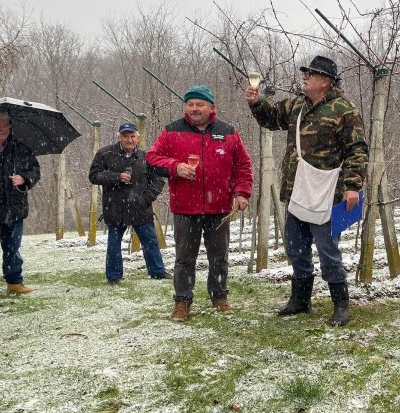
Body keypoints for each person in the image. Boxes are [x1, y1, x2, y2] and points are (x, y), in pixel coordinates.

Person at [244, 56, 368, 326]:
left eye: (309, 74)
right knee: (295, 246)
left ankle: (340, 303)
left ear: (325, 81)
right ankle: (300, 300)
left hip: (329, 192)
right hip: (298, 189)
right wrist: (256, 103)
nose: (304, 78)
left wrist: (353, 186)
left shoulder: (344, 110)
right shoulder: (298, 105)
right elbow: (271, 118)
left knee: (327, 249)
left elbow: (357, 149)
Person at [146, 85, 253, 322]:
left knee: (219, 256)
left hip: (219, 207)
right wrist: (175, 167)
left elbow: (243, 166)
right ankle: (182, 301)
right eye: (190, 104)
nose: (194, 109)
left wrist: (241, 193)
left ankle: (219, 296)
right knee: (184, 258)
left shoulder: (228, 132)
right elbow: (152, 159)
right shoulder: (171, 131)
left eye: (199, 104)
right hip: (186, 207)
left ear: (211, 107)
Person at [89, 123, 171, 284]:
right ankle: (113, 276)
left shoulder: (146, 157)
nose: (129, 139)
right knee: (114, 244)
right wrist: (115, 177)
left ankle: (157, 272)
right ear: (119, 137)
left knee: (150, 241)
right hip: (114, 207)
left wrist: (146, 199)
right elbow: (94, 176)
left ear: (137, 138)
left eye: (132, 136)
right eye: (125, 136)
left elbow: (158, 180)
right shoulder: (105, 154)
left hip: (140, 207)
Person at [0, 112, 40, 294]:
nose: (1, 129)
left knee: (12, 246)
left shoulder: (21, 149)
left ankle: (14, 282)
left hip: (13, 207)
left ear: (10, 127)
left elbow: (35, 171)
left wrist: (23, 178)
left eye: (5, 126)